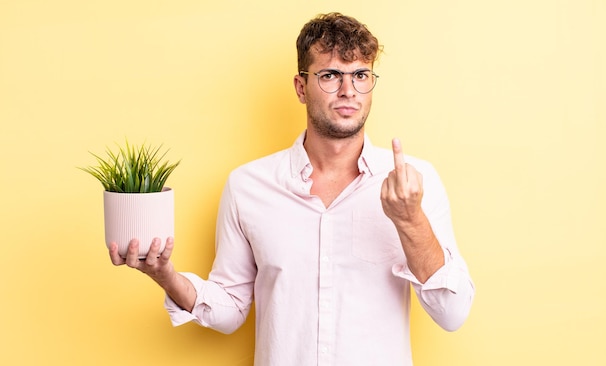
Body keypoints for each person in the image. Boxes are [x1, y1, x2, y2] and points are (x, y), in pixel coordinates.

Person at [110, 12, 475, 366]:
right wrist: (167, 277)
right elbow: (230, 310)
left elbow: (453, 313)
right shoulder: (248, 186)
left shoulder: (413, 183)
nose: (348, 90)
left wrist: (410, 220)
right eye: (330, 75)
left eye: (361, 75)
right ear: (301, 87)